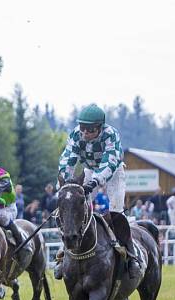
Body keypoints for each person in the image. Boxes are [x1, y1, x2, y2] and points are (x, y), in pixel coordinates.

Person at [55, 103, 137, 279]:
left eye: (90, 129)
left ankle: (131, 257)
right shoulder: (76, 134)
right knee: (73, 207)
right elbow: (68, 159)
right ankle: (65, 252)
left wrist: (95, 182)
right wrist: (64, 182)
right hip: (89, 170)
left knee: (115, 211)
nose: (85, 132)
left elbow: (109, 162)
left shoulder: (111, 135)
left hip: (114, 172)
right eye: (83, 128)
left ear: (100, 127)